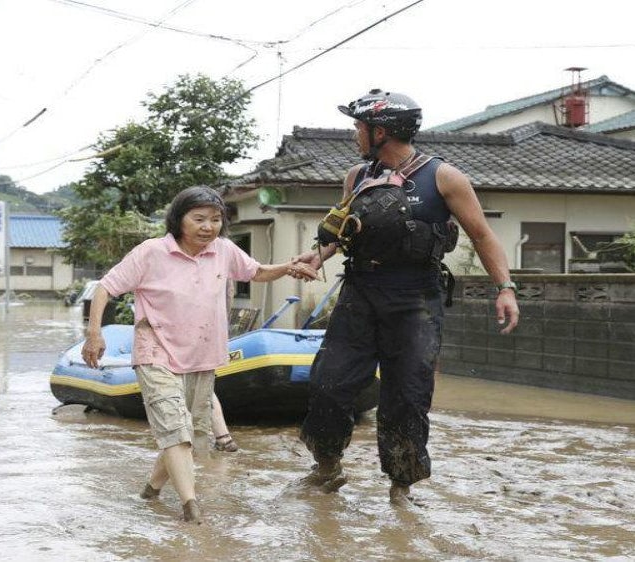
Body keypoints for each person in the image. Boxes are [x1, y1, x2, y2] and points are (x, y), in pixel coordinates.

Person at [293, 89, 519, 502]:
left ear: (381, 131)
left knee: (407, 396)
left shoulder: (444, 177)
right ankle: (326, 468)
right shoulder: (357, 177)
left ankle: (401, 488)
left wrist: (504, 288)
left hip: (415, 299)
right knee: (328, 384)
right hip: (360, 292)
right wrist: (317, 253)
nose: (354, 135)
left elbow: (483, 235)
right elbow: (345, 231)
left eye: (359, 127)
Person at [82, 185, 316, 523]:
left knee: (186, 429)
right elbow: (106, 286)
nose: (208, 226)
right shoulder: (151, 252)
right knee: (176, 428)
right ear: (179, 220)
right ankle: (191, 506)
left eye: (216, 219)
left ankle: (150, 490)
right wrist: (94, 334)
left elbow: (257, 272)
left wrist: (290, 266)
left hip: (202, 355)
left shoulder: (222, 250)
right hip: (155, 350)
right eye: (200, 219)